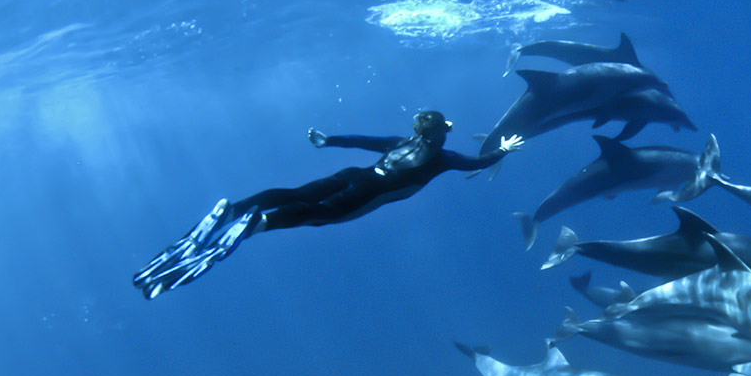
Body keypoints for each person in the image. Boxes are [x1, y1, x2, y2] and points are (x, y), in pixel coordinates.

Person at [133, 110, 523, 299]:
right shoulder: (444, 158)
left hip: (356, 172)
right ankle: (258, 223)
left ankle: (236, 209)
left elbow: (361, 139)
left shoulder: (397, 142)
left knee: (296, 192)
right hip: (367, 194)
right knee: (316, 214)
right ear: (441, 135)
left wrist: (326, 140)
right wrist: (502, 150)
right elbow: (480, 162)